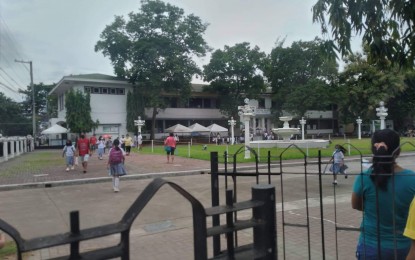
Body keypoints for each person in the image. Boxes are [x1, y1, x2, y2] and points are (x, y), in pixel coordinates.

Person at [352, 129, 415, 259]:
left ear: (373, 150)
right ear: (398, 151)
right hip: (404, 247)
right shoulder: (412, 178)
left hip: (370, 246)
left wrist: (375, 208)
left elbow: (356, 205)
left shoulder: (364, 177)